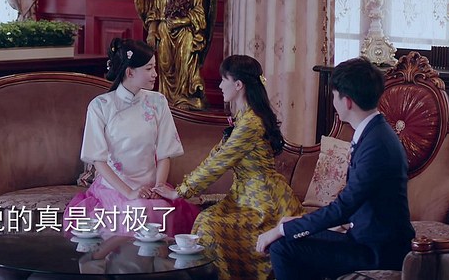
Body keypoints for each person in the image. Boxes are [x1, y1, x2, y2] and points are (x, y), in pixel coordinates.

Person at [256, 57, 414, 280]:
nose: (333, 102)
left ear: (347, 101)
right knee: (290, 240)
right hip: (363, 238)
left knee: (283, 247)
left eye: (333, 96)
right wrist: (294, 226)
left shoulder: (377, 145)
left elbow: (344, 207)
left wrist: (283, 229)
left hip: (377, 251)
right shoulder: (375, 133)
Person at [154, 55, 303, 280]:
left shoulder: (251, 123)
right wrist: (184, 189)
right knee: (206, 221)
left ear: (238, 84)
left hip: (262, 202)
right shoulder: (243, 117)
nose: (220, 86)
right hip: (242, 197)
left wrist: (180, 192)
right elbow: (215, 155)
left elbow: (219, 162)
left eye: (224, 80)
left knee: (209, 224)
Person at [64, 38, 200, 236]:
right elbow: (98, 160)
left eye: (154, 67)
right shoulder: (100, 106)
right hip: (115, 188)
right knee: (135, 211)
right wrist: (129, 192)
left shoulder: (158, 102)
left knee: (161, 210)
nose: (155, 74)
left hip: (151, 187)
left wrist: (158, 188)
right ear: (130, 72)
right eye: (149, 68)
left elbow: (165, 153)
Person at [134, 0, 216, 110]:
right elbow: (154, 12)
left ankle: (186, 96)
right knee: (165, 64)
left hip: (186, 32)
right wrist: (152, 31)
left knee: (185, 59)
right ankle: (166, 98)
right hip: (165, 31)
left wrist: (182, 21)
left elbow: (200, 13)